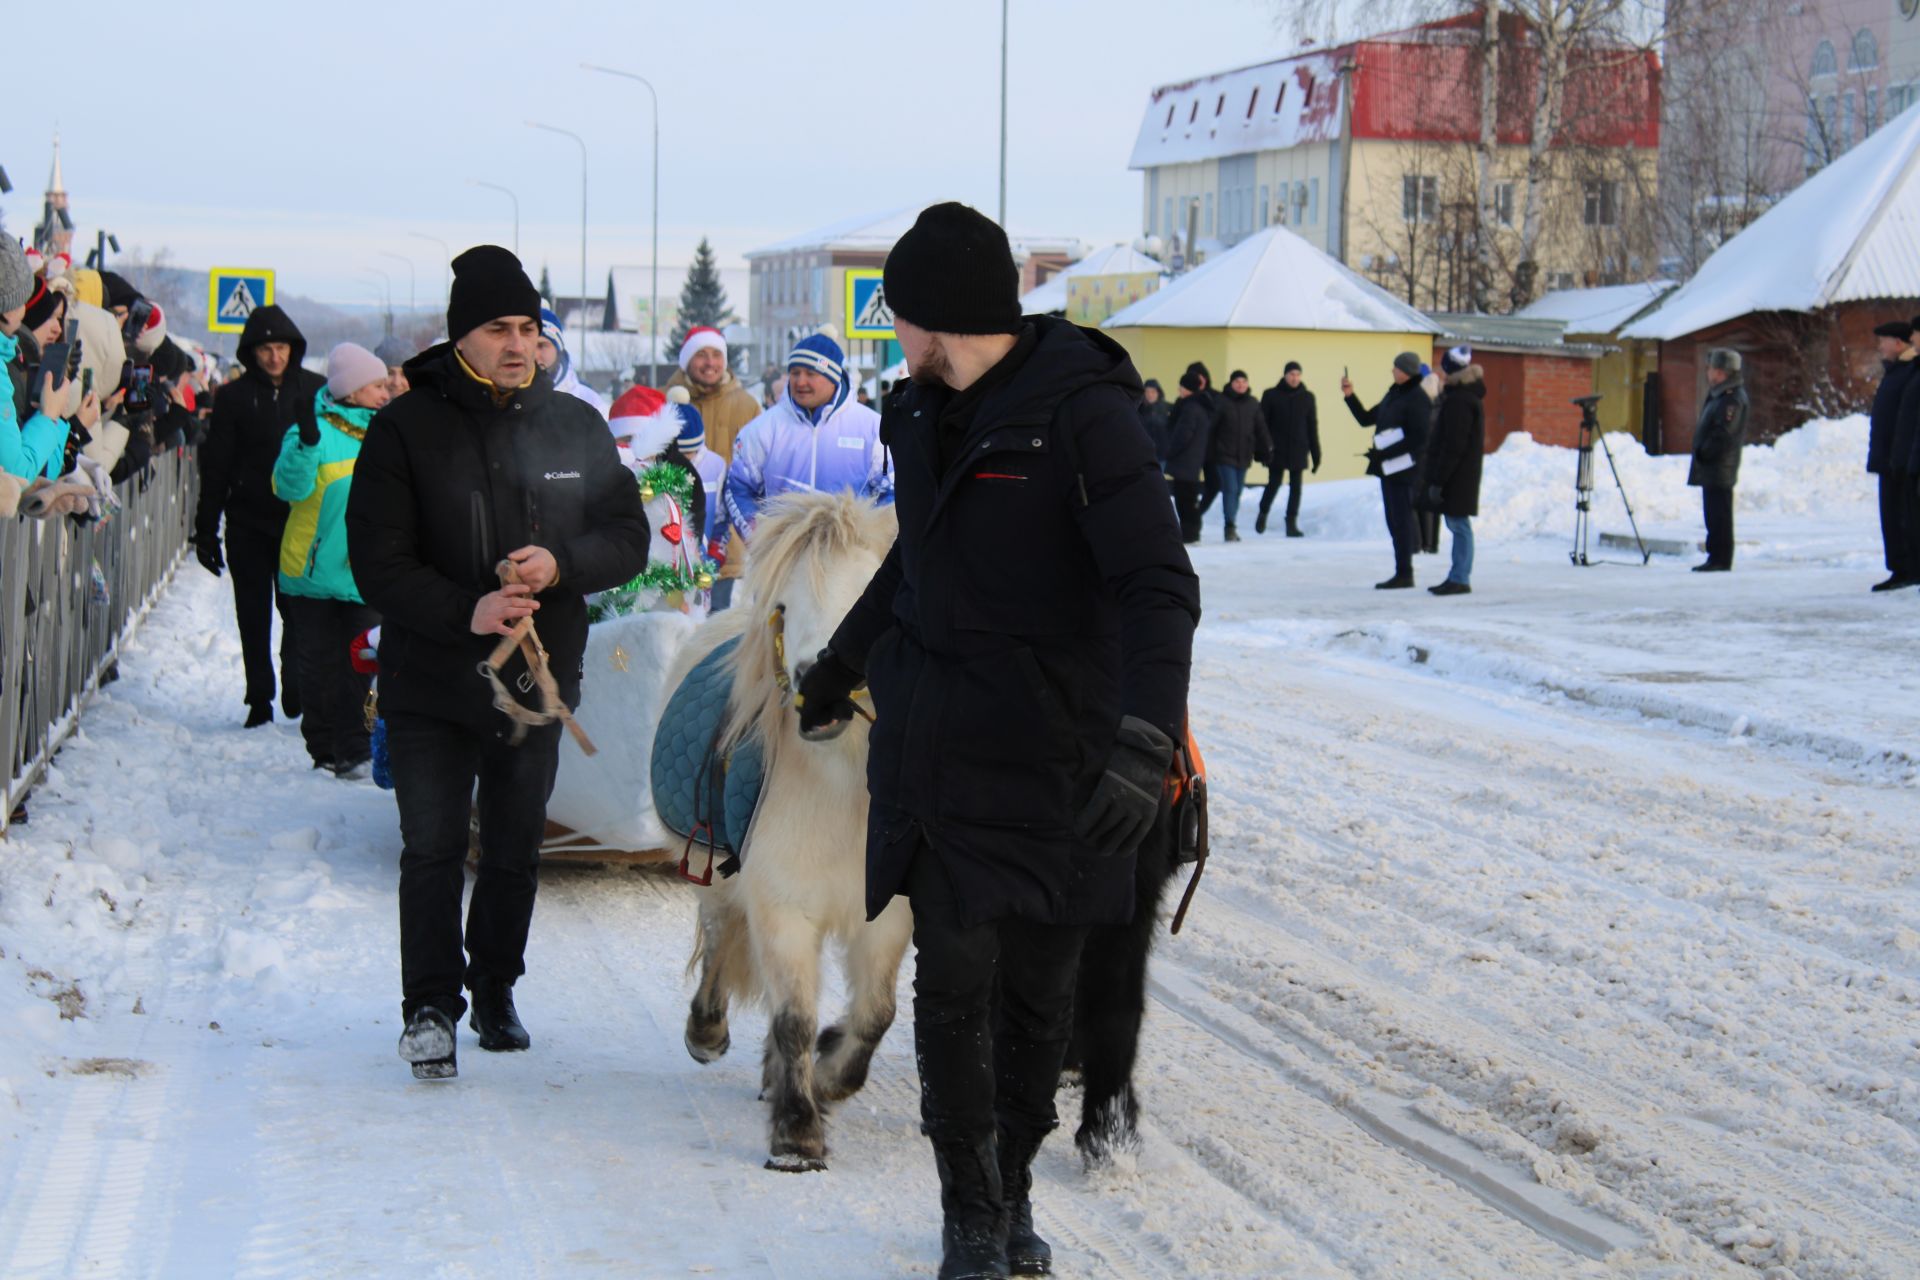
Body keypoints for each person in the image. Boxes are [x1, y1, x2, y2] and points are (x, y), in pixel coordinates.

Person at [794, 202, 1199, 1280]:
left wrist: (1144, 738)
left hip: (1064, 759)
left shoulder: (1086, 416)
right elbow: (911, 568)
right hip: (944, 757)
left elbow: (1159, 587)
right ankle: (969, 1208)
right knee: (954, 983)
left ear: (943, 316)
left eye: (902, 315)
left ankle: (1013, 1184)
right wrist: (840, 662)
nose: (894, 335)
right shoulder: (922, 416)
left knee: (1039, 999)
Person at [345, 246, 649, 1081]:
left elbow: (628, 536)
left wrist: (561, 563)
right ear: (461, 337)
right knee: (434, 845)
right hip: (430, 679)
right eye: (497, 328)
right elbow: (377, 561)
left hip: (533, 683)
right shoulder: (405, 426)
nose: (518, 343)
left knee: (514, 850)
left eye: (527, 327)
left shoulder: (574, 426)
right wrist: (464, 609)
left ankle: (498, 988)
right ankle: (432, 1007)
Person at [197, 303, 327, 726]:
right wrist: (205, 528)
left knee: (296, 611)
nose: (275, 357)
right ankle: (259, 698)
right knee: (252, 612)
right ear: (251, 352)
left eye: (282, 348)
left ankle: (296, 680)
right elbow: (216, 464)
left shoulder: (314, 391)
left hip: (298, 522)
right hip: (248, 521)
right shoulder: (233, 397)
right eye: (266, 348)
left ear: (294, 349)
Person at [273, 343, 390, 776]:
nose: (385, 391)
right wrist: (304, 444)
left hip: (364, 573)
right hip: (313, 571)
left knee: (362, 663)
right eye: (377, 385)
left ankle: (356, 747)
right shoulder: (311, 431)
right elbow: (289, 488)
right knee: (319, 667)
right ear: (354, 389)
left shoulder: (385, 432)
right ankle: (323, 748)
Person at [720, 330, 891, 561]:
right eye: (795, 373)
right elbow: (738, 487)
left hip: (848, 568)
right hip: (782, 565)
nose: (800, 381)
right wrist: (759, 538)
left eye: (811, 373)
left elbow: (892, 491)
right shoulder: (762, 429)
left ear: (832, 377)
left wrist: (868, 545)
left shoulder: (872, 429)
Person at [668, 326, 762, 607]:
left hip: (723, 550)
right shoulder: (663, 401)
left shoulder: (747, 406)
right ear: (686, 361)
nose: (710, 363)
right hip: (668, 548)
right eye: (701, 355)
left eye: (716, 355)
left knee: (714, 635)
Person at [1342, 352, 1431, 589]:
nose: (1392, 371)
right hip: (1388, 468)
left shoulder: (1418, 398)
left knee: (1401, 520)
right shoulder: (1394, 394)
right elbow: (1366, 418)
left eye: (1396, 368)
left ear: (1406, 371)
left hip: (1404, 469)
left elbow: (1420, 438)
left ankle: (1405, 572)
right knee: (1394, 520)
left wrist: (1387, 452)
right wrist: (1350, 396)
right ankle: (1401, 570)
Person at [1420, 346, 1485, 596]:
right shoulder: (1462, 396)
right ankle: (1457, 575)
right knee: (1457, 523)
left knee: (1459, 525)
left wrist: (1439, 479)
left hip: (1458, 474)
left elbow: (1453, 444)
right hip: (1459, 472)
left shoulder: (1460, 400)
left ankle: (1460, 577)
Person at [1866, 321, 1917, 592]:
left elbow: (1905, 420)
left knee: (1901, 515)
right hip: (1890, 457)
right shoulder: (1897, 371)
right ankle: (1899, 566)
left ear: (1899, 343)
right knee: (1890, 515)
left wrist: (1901, 454)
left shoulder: (1908, 371)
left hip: (1899, 458)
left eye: (1883, 340)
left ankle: (1906, 567)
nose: (1880, 346)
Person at [1688, 348, 1748, 573]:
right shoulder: (1719, 395)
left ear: (1723, 372)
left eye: (1713, 369)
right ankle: (1715, 556)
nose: (1709, 373)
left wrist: (1705, 451)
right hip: (1713, 466)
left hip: (1720, 466)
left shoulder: (1732, 398)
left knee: (1719, 514)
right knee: (1712, 513)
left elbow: (1724, 433)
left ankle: (1721, 559)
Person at [1256, 361, 1320, 537]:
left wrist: (1316, 454)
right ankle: (1263, 513)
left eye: (1298, 374)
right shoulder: (1271, 395)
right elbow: (1262, 424)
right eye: (1291, 374)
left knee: (1296, 487)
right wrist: (1263, 449)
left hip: (1299, 448)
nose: (1295, 378)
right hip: (1277, 448)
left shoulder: (1307, 397)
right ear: (1285, 375)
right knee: (1274, 483)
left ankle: (1291, 522)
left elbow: (1312, 426)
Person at [1204, 369, 1265, 542]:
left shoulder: (1252, 403)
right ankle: (1229, 526)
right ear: (1231, 383)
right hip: (1224, 454)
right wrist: (1208, 451)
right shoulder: (1222, 402)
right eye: (1237, 381)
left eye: (1243, 382)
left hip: (1244, 454)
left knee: (1237, 491)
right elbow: (1211, 427)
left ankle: (1231, 523)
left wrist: (1267, 447)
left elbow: (1260, 427)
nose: (1241, 385)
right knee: (1230, 489)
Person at [1164, 372, 1211, 544]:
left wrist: (1170, 451)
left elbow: (1183, 434)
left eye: (1182, 387)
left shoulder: (1190, 408)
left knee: (1185, 499)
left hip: (1186, 460)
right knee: (1188, 498)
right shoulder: (1199, 406)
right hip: (1192, 460)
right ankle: (1190, 531)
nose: (1179, 390)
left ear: (1188, 388)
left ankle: (1189, 533)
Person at [536, 307, 609, 418]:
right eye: (529, 346)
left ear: (558, 349)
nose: (534, 355)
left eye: (542, 346)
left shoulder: (589, 403)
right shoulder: (507, 400)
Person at [1137, 378, 1171, 466]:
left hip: (1163, 455)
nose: (1149, 394)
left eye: (1153, 391)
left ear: (1158, 393)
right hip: (1143, 455)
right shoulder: (1138, 409)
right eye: (1147, 391)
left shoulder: (1168, 408)